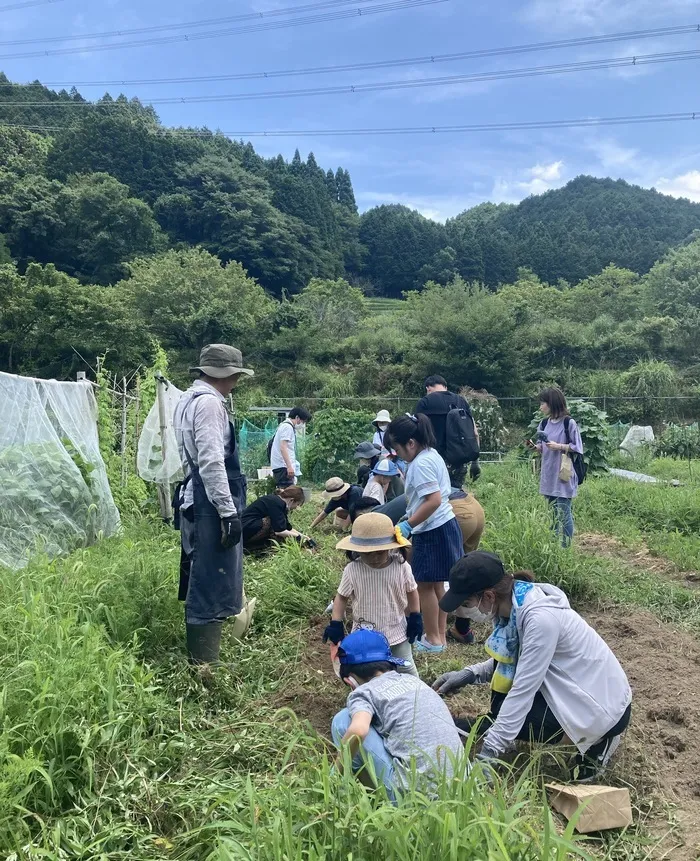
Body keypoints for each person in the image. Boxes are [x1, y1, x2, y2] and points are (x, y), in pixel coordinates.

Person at [436, 552, 632, 782]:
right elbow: (512, 661)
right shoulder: (515, 605)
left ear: (488, 596)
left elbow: (523, 690)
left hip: (603, 708)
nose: (463, 611)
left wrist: (488, 755)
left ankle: (600, 740)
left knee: (512, 709)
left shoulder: (540, 620)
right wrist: (470, 674)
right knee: (502, 700)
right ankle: (496, 729)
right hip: (576, 690)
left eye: (466, 603)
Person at [173, 344, 254, 665]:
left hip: (197, 499)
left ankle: (207, 657)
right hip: (209, 505)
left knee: (207, 576)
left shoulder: (188, 399)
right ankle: (204, 666)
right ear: (230, 374)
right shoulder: (208, 405)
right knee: (209, 581)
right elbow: (210, 461)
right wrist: (227, 511)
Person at [331, 628, 465, 800]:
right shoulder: (415, 682)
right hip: (459, 789)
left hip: (414, 799)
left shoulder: (364, 692)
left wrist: (333, 775)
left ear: (349, 681)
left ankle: (376, 800)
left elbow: (358, 730)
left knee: (343, 720)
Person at [386, 414, 464, 654]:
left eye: (397, 448)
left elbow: (433, 501)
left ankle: (431, 638)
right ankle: (439, 637)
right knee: (438, 583)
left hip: (432, 529)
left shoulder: (420, 464)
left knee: (423, 586)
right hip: (445, 525)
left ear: (410, 442)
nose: (397, 454)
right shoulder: (431, 454)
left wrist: (409, 524)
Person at [323, 512, 423, 676]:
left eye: (380, 552)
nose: (374, 557)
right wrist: (336, 623)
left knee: (406, 668)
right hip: (365, 635)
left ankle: (415, 696)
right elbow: (341, 597)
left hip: (396, 630)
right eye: (368, 553)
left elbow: (412, 592)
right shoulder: (353, 570)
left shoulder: (401, 567)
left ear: (391, 547)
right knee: (367, 672)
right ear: (356, 550)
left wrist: (415, 616)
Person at [529, 387, 583, 547]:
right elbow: (541, 446)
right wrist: (534, 447)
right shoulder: (544, 423)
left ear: (552, 403)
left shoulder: (569, 423)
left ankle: (565, 548)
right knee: (552, 512)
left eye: (543, 403)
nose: (541, 407)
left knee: (564, 512)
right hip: (549, 473)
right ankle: (552, 546)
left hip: (563, 474)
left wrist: (559, 446)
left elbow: (578, 447)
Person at [414, 375, 480, 487]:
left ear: (428, 388)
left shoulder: (425, 402)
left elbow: (415, 433)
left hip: (433, 461)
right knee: (456, 497)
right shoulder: (461, 401)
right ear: (445, 386)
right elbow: (474, 433)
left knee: (436, 498)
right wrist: (475, 462)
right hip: (459, 461)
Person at [446, 486, 486, 645]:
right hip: (473, 505)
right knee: (463, 569)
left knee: (439, 570)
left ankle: (433, 633)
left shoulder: (384, 517)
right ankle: (462, 629)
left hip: (457, 511)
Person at [241, 486, 306, 551]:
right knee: (271, 522)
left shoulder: (278, 502)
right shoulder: (276, 503)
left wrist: (305, 537)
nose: (296, 508)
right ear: (292, 500)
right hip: (246, 529)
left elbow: (287, 527)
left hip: (249, 527)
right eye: (297, 504)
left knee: (279, 525)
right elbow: (279, 531)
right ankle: (261, 547)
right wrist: (298, 537)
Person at [270, 407, 311, 489]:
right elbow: (283, 447)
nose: (303, 424)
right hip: (283, 467)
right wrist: (289, 466)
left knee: (285, 492)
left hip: (282, 466)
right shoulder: (287, 427)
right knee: (287, 494)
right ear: (297, 418)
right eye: (303, 421)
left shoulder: (285, 426)